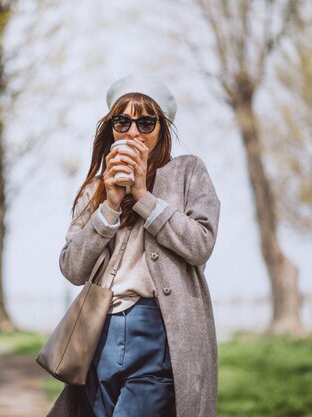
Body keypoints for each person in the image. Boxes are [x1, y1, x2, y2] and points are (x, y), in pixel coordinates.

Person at [47, 74, 221, 417]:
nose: (133, 132)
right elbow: (72, 268)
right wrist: (110, 205)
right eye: (122, 121)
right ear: (110, 128)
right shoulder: (94, 190)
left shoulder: (188, 173)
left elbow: (201, 244)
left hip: (160, 329)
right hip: (99, 332)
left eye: (146, 122)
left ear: (162, 129)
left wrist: (143, 196)